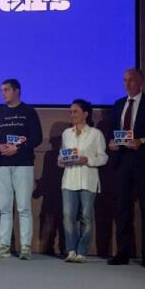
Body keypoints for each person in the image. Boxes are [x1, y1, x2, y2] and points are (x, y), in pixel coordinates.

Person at [107, 69, 145, 268]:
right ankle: (122, 252)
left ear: (141, 81)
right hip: (122, 161)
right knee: (122, 208)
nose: (127, 84)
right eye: (125, 80)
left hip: (144, 162)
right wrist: (112, 143)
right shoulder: (118, 104)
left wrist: (142, 141)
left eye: (131, 80)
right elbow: (113, 132)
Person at [0, 78, 42, 259]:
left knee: (24, 207)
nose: (3, 93)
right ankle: (4, 245)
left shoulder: (29, 112)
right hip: (2, 165)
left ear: (16, 91)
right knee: (4, 207)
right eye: (1, 90)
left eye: (6, 90)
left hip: (23, 164)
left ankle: (25, 247)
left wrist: (18, 148)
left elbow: (37, 138)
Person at [58, 99, 108, 263]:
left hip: (88, 180)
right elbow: (63, 154)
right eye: (71, 112)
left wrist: (87, 159)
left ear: (85, 114)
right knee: (68, 216)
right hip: (69, 180)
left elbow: (103, 157)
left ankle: (82, 251)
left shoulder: (95, 134)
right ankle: (71, 250)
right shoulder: (67, 133)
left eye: (75, 111)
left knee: (86, 217)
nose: (72, 114)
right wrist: (61, 161)